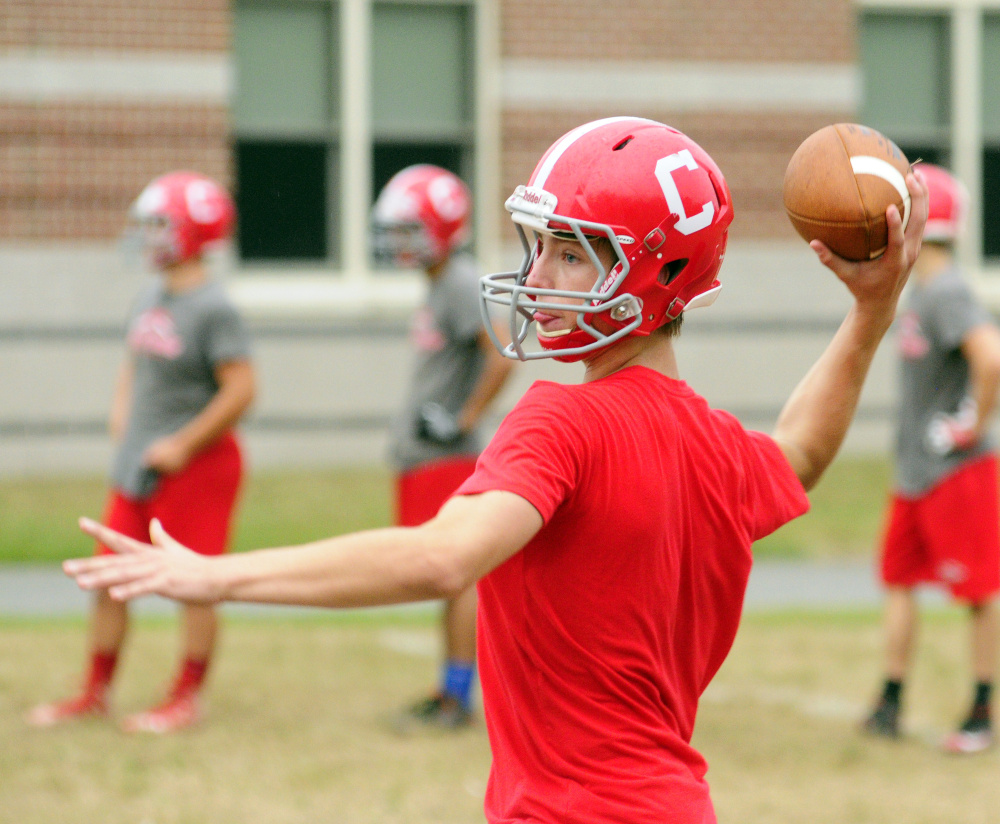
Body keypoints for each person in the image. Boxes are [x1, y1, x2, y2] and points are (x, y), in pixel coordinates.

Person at [62, 117, 926, 821]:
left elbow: (443, 557)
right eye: (540, 244)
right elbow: (801, 454)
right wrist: (871, 312)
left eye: (574, 252)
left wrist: (216, 576)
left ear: (661, 271)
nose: (537, 275)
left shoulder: (560, 418)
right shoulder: (713, 440)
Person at [27, 171, 256, 734]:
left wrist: (181, 443)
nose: (148, 236)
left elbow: (242, 389)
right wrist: (122, 418)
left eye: (160, 225)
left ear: (194, 231)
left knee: (195, 585)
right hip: (139, 465)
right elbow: (135, 365)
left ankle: (186, 697)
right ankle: (95, 692)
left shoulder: (214, 306)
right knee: (108, 578)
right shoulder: (151, 293)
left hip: (197, 468)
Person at [861, 162, 1000, 754]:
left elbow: (990, 357)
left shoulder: (946, 292)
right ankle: (890, 701)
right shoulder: (919, 290)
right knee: (897, 580)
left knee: (977, 592)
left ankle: (980, 712)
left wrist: (971, 421)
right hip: (913, 471)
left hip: (956, 471)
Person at [371, 164, 515, 729]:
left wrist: (463, 419)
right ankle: (449, 690)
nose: (397, 242)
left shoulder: (458, 281)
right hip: (426, 456)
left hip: (446, 457)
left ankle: (457, 698)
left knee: (454, 578)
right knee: (442, 579)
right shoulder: (439, 283)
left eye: (409, 229)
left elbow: (500, 355)